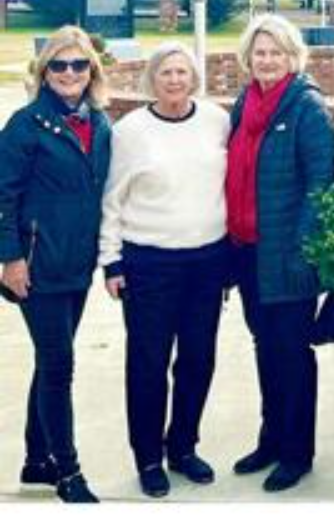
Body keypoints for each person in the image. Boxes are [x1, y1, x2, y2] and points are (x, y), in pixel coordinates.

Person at [98, 43, 231, 498]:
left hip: (207, 262)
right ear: (152, 79)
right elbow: (112, 199)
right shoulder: (131, 131)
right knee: (149, 364)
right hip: (149, 263)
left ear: (194, 77)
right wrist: (111, 261)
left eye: (182, 72)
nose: (175, 80)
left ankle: (183, 447)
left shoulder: (217, 120)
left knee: (198, 360)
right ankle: (149, 457)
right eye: (166, 73)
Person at [0, 26, 112, 503]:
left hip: (77, 264)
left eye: (79, 65)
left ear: (92, 71)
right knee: (60, 364)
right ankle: (67, 472)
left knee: (50, 361)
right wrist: (10, 258)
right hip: (37, 266)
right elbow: (3, 197)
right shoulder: (26, 125)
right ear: (44, 72)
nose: (70, 74)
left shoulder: (100, 123)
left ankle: (35, 459)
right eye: (60, 65)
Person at [226, 14, 334, 493]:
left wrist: (303, 250)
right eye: (259, 52)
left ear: (292, 57)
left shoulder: (306, 107)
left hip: (289, 253)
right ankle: (271, 438)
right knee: (264, 347)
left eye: (275, 52)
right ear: (248, 59)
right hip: (248, 251)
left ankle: (297, 452)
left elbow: (321, 184)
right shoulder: (244, 103)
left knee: (291, 352)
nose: (266, 60)